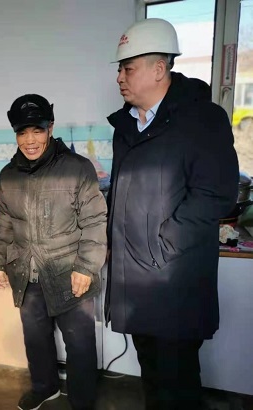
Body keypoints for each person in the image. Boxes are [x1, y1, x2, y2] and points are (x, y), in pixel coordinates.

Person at [106, 18, 239, 410]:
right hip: (136, 281)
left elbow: (215, 195)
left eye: (128, 68)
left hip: (173, 281)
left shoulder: (202, 120)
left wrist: (161, 245)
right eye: (120, 69)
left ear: (159, 69)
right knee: (152, 376)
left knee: (177, 383)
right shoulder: (126, 126)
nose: (119, 78)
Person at [0, 94, 107, 410]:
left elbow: (95, 221)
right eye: (22, 132)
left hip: (70, 271)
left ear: (50, 128)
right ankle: (45, 387)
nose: (30, 140)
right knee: (35, 337)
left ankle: (82, 401)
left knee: (79, 342)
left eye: (37, 130)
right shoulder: (9, 174)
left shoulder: (77, 168)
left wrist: (86, 267)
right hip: (27, 271)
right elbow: (3, 222)